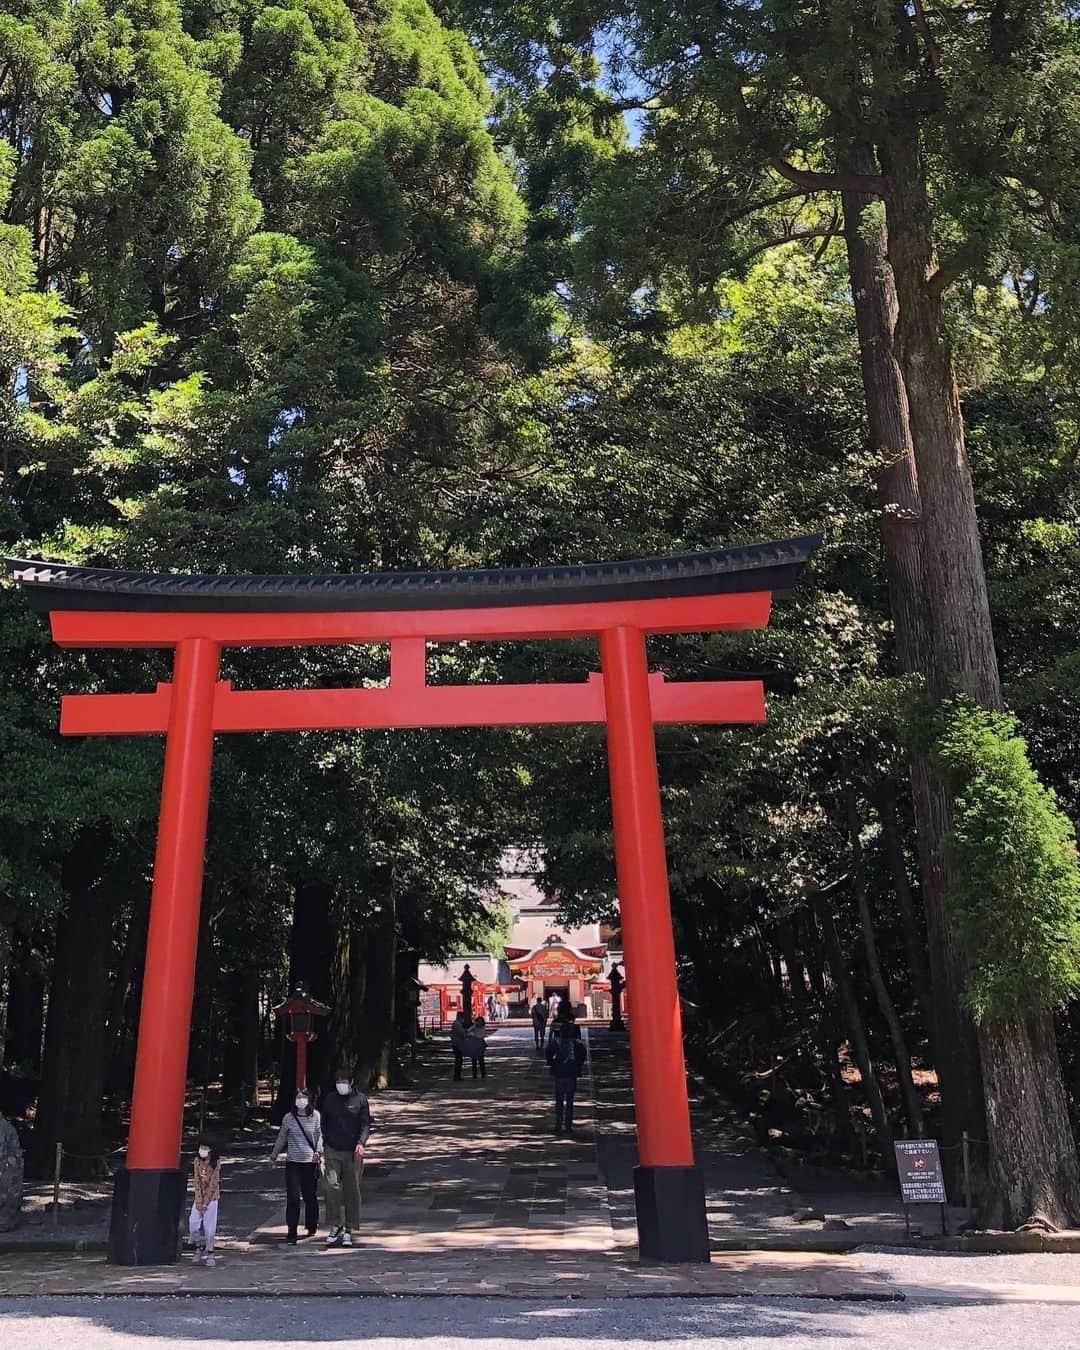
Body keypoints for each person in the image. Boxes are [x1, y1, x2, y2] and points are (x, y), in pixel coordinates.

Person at [320, 1064, 371, 1248]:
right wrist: (324, 1143)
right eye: (338, 1082)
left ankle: (349, 1228)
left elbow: (365, 1123)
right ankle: (336, 1223)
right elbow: (323, 1122)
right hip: (332, 1148)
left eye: (344, 1082)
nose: (340, 1085)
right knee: (330, 1185)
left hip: (352, 1151)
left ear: (351, 1082)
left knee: (352, 1190)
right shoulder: (330, 1099)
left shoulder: (360, 1099)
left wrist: (361, 1142)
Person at [270, 1087, 322, 1244]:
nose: (301, 1100)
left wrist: (319, 1152)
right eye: (298, 1097)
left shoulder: (316, 1116)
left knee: (310, 1196)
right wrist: (273, 1156)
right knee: (293, 1197)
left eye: (303, 1097)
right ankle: (291, 1229)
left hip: (310, 1162)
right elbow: (281, 1138)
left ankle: (312, 1225)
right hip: (293, 1162)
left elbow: (320, 1135)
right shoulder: (288, 1118)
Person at [545, 1004, 586, 1134]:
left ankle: (558, 1123)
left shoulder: (557, 1039)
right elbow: (583, 1053)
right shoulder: (576, 1040)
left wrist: (551, 1062)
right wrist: (578, 1064)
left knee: (559, 1098)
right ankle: (568, 1125)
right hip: (572, 1070)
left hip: (559, 1069)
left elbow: (549, 1051)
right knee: (570, 1099)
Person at [188, 1137, 221, 1266]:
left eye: (205, 1148)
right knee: (193, 1223)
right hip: (199, 1197)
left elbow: (213, 1183)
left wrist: (206, 1202)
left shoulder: (216, 1162)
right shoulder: (197, 1161)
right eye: (201, 1147)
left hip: (212, 1198)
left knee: (209, 1227)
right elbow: (196, 1181)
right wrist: (199, 1201)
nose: (202, 1150)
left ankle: (210, 1252)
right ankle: (198, 1246)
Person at [450, 1009, 470, 1081]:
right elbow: (462, 1033)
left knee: (460, 1060)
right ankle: (456, 1076)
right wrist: (468, 1032)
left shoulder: (458, 1024)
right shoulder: (456, 1024)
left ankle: (458, 1075)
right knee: (458, 1060)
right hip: (457, 1045)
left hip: (458, 1044)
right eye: (462, 1018)